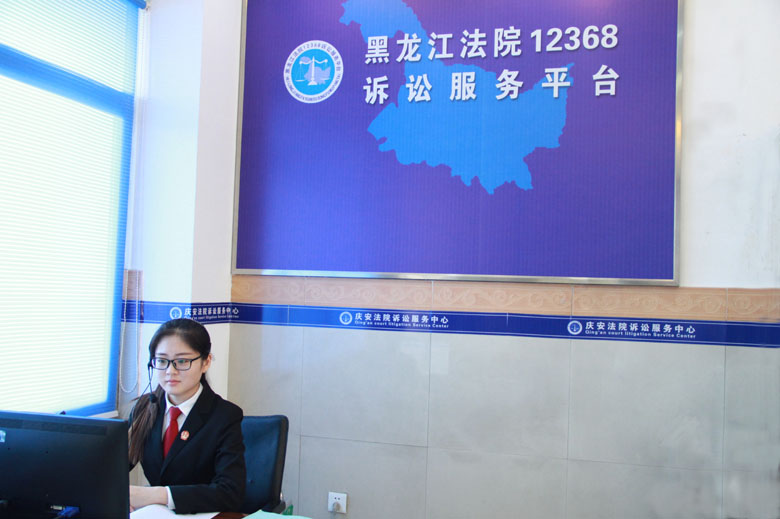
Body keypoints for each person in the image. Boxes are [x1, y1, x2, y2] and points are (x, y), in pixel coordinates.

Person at [128, 318, 246, 514]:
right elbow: (113, 467)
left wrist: (158, 495)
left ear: (206, 362)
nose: (170, 371)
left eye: (182, 361)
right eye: (162, 361)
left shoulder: (225, 416)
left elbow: (230, 493)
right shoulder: (144, 407)